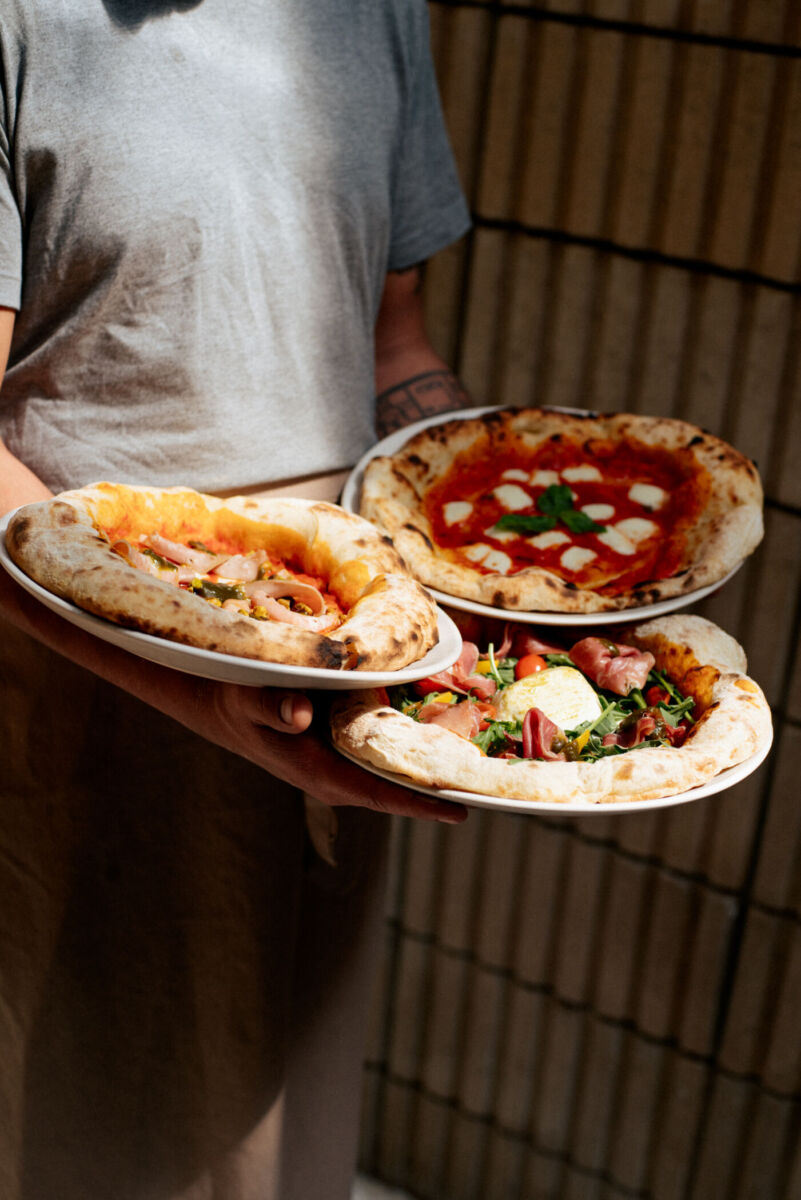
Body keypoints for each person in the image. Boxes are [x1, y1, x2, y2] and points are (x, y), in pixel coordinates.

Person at [0, 2, 471, 1197]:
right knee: (85, 1133)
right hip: (81, 673)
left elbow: (395, 346)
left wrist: (509, 536)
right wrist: (195, 688)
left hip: (348, 665)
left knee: (283, 1136)